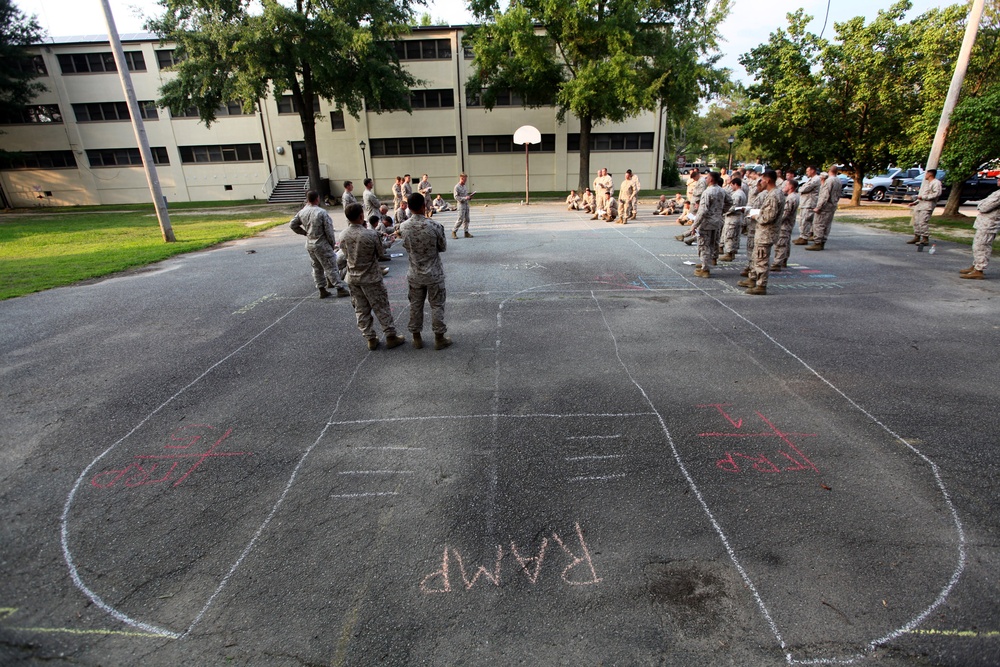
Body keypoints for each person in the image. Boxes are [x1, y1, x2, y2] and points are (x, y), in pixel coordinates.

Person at [339, 203, 405, 350]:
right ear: (362, 216)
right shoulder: (370, 234)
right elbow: (380, 253)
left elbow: (344, 255)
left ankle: (370, 338)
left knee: (361, 309)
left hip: (353, 277)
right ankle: (390, 335)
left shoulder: (343, 234)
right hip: (371, 276)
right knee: (381, 306)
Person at [398, 193, 452, 349]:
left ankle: (416, 337)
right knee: (437, 305)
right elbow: (442, 247)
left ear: (408, 207)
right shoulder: (434, 226)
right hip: (433, 273)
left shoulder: (403, 227)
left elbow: (406, 246)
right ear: (424, 206)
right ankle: (439, 338)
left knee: (415, 305)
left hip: (414, 273)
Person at [289, 190, 350, 299]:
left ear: (308, 199)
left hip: (310, 243)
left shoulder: (302, 212)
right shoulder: (321, 212)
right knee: (331, 266)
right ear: (317, 199)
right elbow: (329, 231)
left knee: (316, 267)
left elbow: (293, 224)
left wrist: (304, 233)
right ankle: (340, 288)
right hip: (322, 243)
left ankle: (322, 289)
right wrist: (332, 244)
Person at [737, 170, 785, 296]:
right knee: (756, 257)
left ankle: (761, 285)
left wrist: (755, 215)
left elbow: (768, 217)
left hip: (766, 233)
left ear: (768, 180)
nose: (761, 182)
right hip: (762, 233)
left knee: (761, 260)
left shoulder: (774, 195)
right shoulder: (772, 193)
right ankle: (753, 279)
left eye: (762, 180)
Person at [690, 172, 730, 278]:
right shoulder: (722, 190)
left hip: (706, 222)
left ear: (711, 179)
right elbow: (730, 202)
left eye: (707, 177)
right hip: (717, 221)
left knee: (703, 245)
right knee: (712, 244)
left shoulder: (707, 192)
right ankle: (707, 263)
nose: (706, 179)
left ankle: (705, 269)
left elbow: (702, 210)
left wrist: (695, 224)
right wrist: (720, 212)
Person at [960, 182, 1000, 279]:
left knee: (982, 245)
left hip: (990, 223)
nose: (998, 181)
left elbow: (984, 207)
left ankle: (979, 269)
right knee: (978, 245)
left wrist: (981, 205)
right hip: (985, 222)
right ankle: (976, 265)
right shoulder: (997, 192)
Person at [808, 166, 842, 251]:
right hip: (833, 205)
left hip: (825, 206)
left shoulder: (829, 180)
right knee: (827, 224)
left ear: (829, 171)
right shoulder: (838, 181)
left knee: (819, 224)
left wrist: (818, 207)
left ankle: (818, 242)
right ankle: (823, 241)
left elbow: (825, 195)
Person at [907, 169, 942, 247]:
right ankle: (917, 236)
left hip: (927, 206)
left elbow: (936, 194)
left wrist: (923, 197)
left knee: (923, 222)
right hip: (920, 205)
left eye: (926, 174)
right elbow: (921, 196)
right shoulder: (927, 184)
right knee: (916, 222)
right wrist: (915, 202)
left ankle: (925, 238)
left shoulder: (936, 183)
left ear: (930, 174)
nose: (925, 176)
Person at [771, 178, 800, 271]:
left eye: (786, 185)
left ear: (791, 187)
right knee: (785, 243)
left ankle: (777, 263)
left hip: (784, 225)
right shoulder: (794, 196)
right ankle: (783, 260)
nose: (784, 187)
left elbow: (785, 214)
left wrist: (775, 221)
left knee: (781, 244)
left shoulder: (791, 198)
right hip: (788, 224)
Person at [719, 176, 746, 262]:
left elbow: (733, 207)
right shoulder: (743, 193)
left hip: (732, 218)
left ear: (735, 184)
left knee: (730, 236)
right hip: (737, 218)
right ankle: (731, 252)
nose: (731, 187)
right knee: (734, 236)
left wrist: (724, 211)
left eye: (732, 185)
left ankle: (729, 253)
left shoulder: (737, 194)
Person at [794, 166, 821, 245]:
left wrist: (801, 188)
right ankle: (802, 236)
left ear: (813, 171)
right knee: (802, 220)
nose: (806, 173)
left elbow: (804, 189)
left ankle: (804, 237)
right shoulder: (811, 179)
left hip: (809, 203)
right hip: (806, 202)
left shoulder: (816, 179)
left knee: (805, 220)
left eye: (808, 171)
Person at [452, 173, 476, 238]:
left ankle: (466, 232)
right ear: (461, 179)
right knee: (460, 219)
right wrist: (465, 198)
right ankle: (454, 231)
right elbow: (456, 197)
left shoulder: (464, 186)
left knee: (467, 219)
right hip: (461, 205)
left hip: (466, 204)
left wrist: (469, 197)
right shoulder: (457, 187)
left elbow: (466, 195)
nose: (466, 181)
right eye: (465, 180)